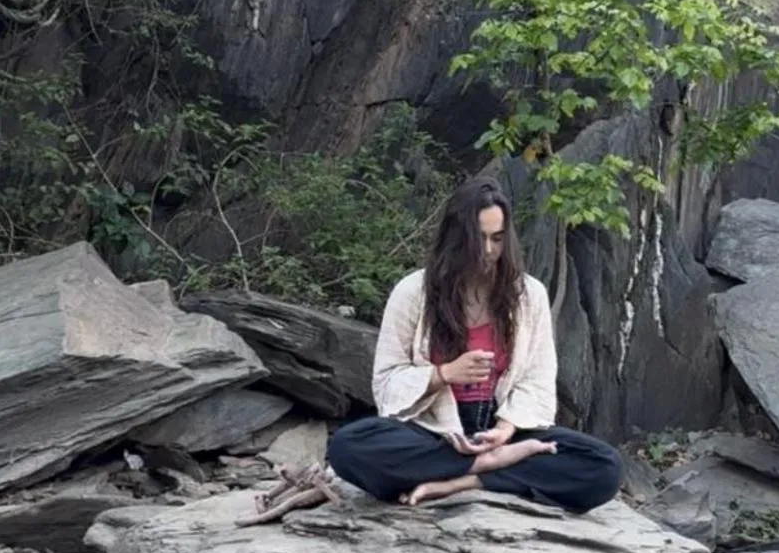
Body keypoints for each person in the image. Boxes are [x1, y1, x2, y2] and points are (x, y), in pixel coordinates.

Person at [239, 180, 622, 523]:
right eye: (479, 239)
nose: (488, 251)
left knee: (603, 468)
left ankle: (464, 480)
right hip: (432, 431)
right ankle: (486, 468)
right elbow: (386, 384)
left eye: (498, 238)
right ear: (456, 238)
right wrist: (444, 374)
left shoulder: (528, 295)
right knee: (348, 447)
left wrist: (504, 432)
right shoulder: (413, 292)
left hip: (506, 430)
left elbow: (538, 379)